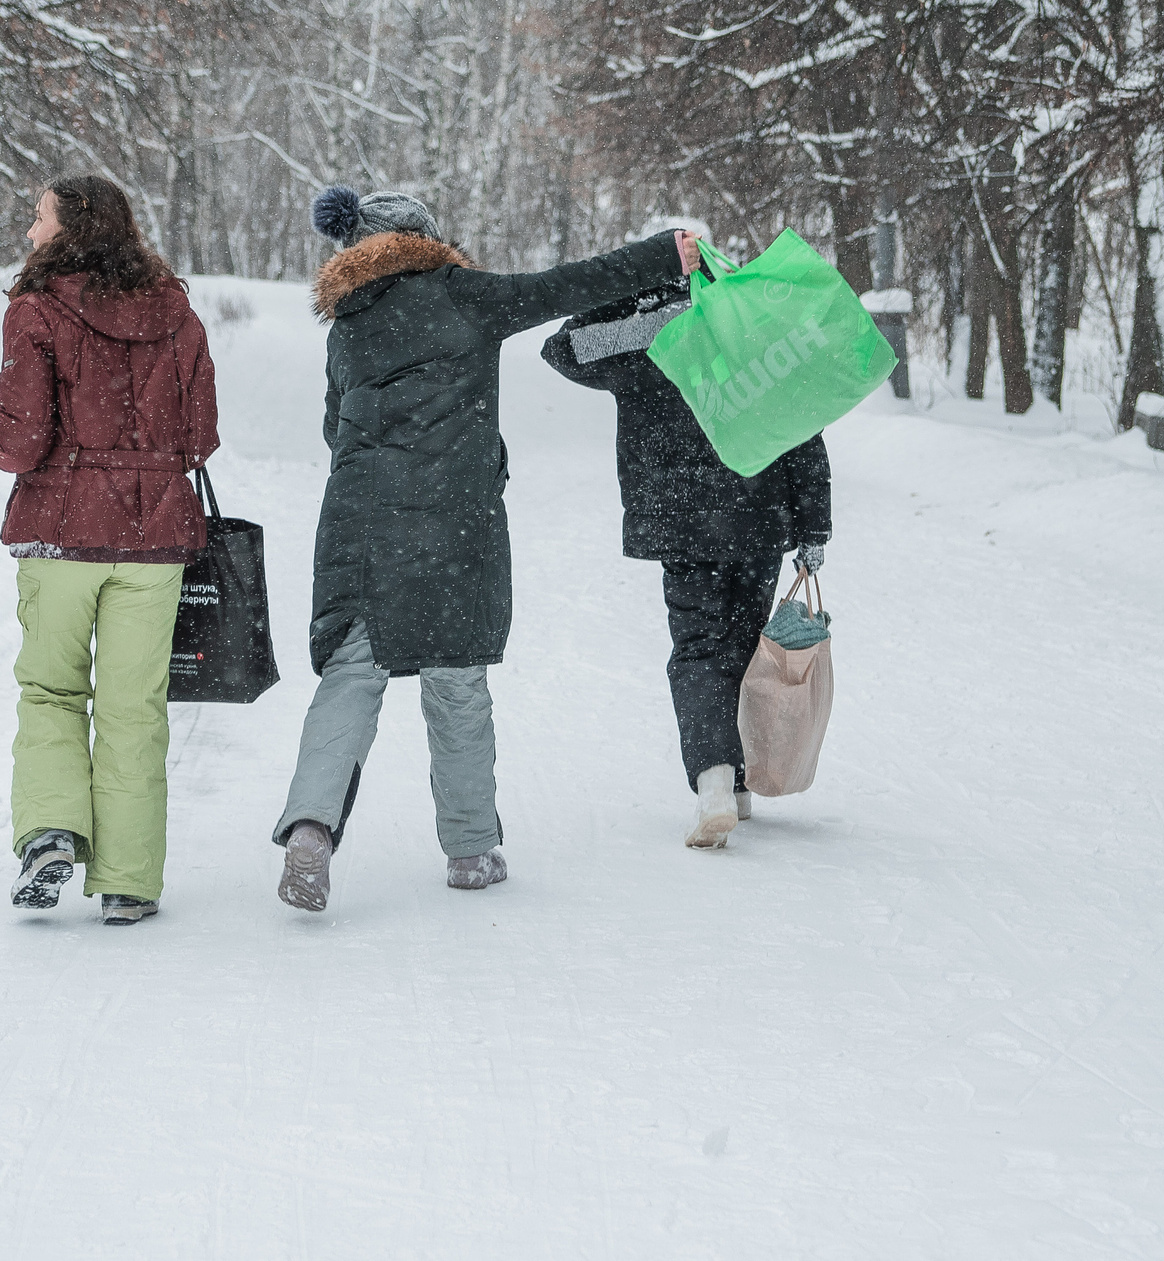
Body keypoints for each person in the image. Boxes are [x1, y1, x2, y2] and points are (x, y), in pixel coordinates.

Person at [273, 185, 701, 911]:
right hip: (451, 523)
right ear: (425, 239)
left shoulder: (346, 327)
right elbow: (570, 283)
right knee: (456, 680)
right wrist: (664, 253)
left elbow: (334, 432)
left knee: (352, 674)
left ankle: (312, 828)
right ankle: (471, 850)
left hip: (360, 524)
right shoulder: (464, 296)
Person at [0, 174, 217, 926]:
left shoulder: (35, 312)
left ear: (70, 228)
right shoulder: (178, 315)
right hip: (155, 543)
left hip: (61, 535)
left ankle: (48, 833)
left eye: (38, 216)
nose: (30, 230)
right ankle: (130, 880)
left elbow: (19, 441)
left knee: (50, 691)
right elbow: (201, 438)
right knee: (134, 709)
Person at [539, 238, 830, 849]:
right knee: (749, 645)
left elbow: (565, 347)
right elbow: (802, 425)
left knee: (698, 647)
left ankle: (716, 782)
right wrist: (813, 528)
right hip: (760, 513)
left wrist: (642, 291)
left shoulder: (646, 330)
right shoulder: (755, 319)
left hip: (681, 520)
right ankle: (740, 784)